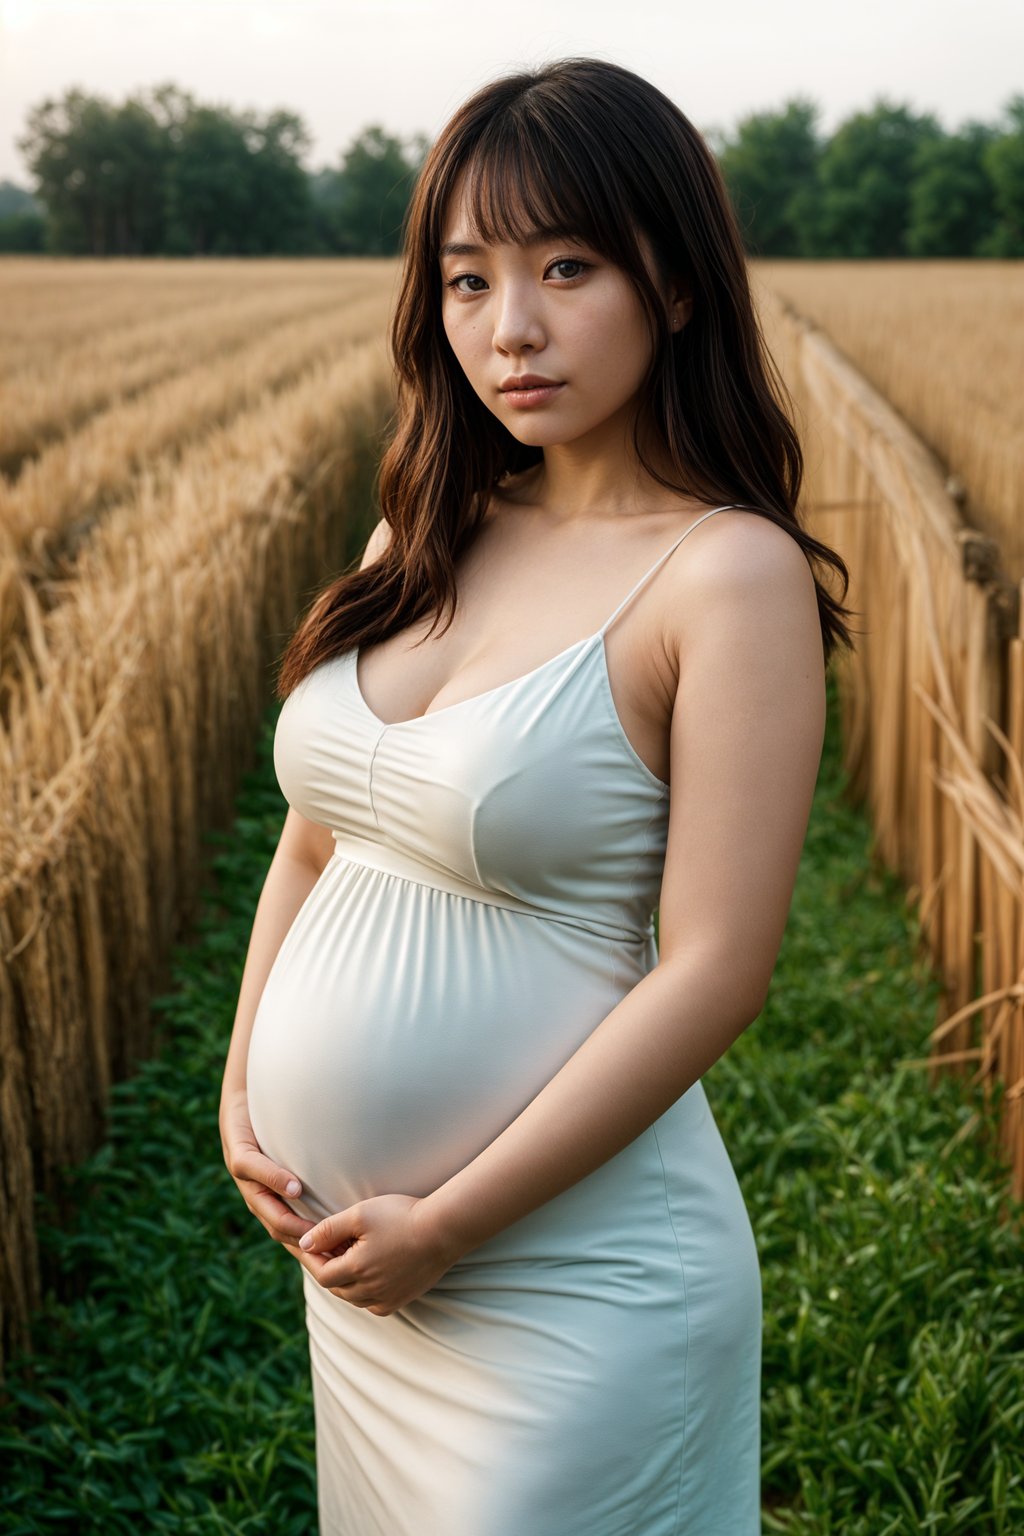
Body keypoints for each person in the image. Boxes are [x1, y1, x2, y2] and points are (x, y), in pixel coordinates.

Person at [220, 55, 852, 1536]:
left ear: (677, 284)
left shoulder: (724, 574)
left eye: (567, 268)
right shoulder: (422, 530)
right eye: (466, 279)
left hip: (579, 1288)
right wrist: (242, 1086)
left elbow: (716, 972)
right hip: (373, 1293)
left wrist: (448, 1223)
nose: (511, 329)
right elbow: (317, 843)